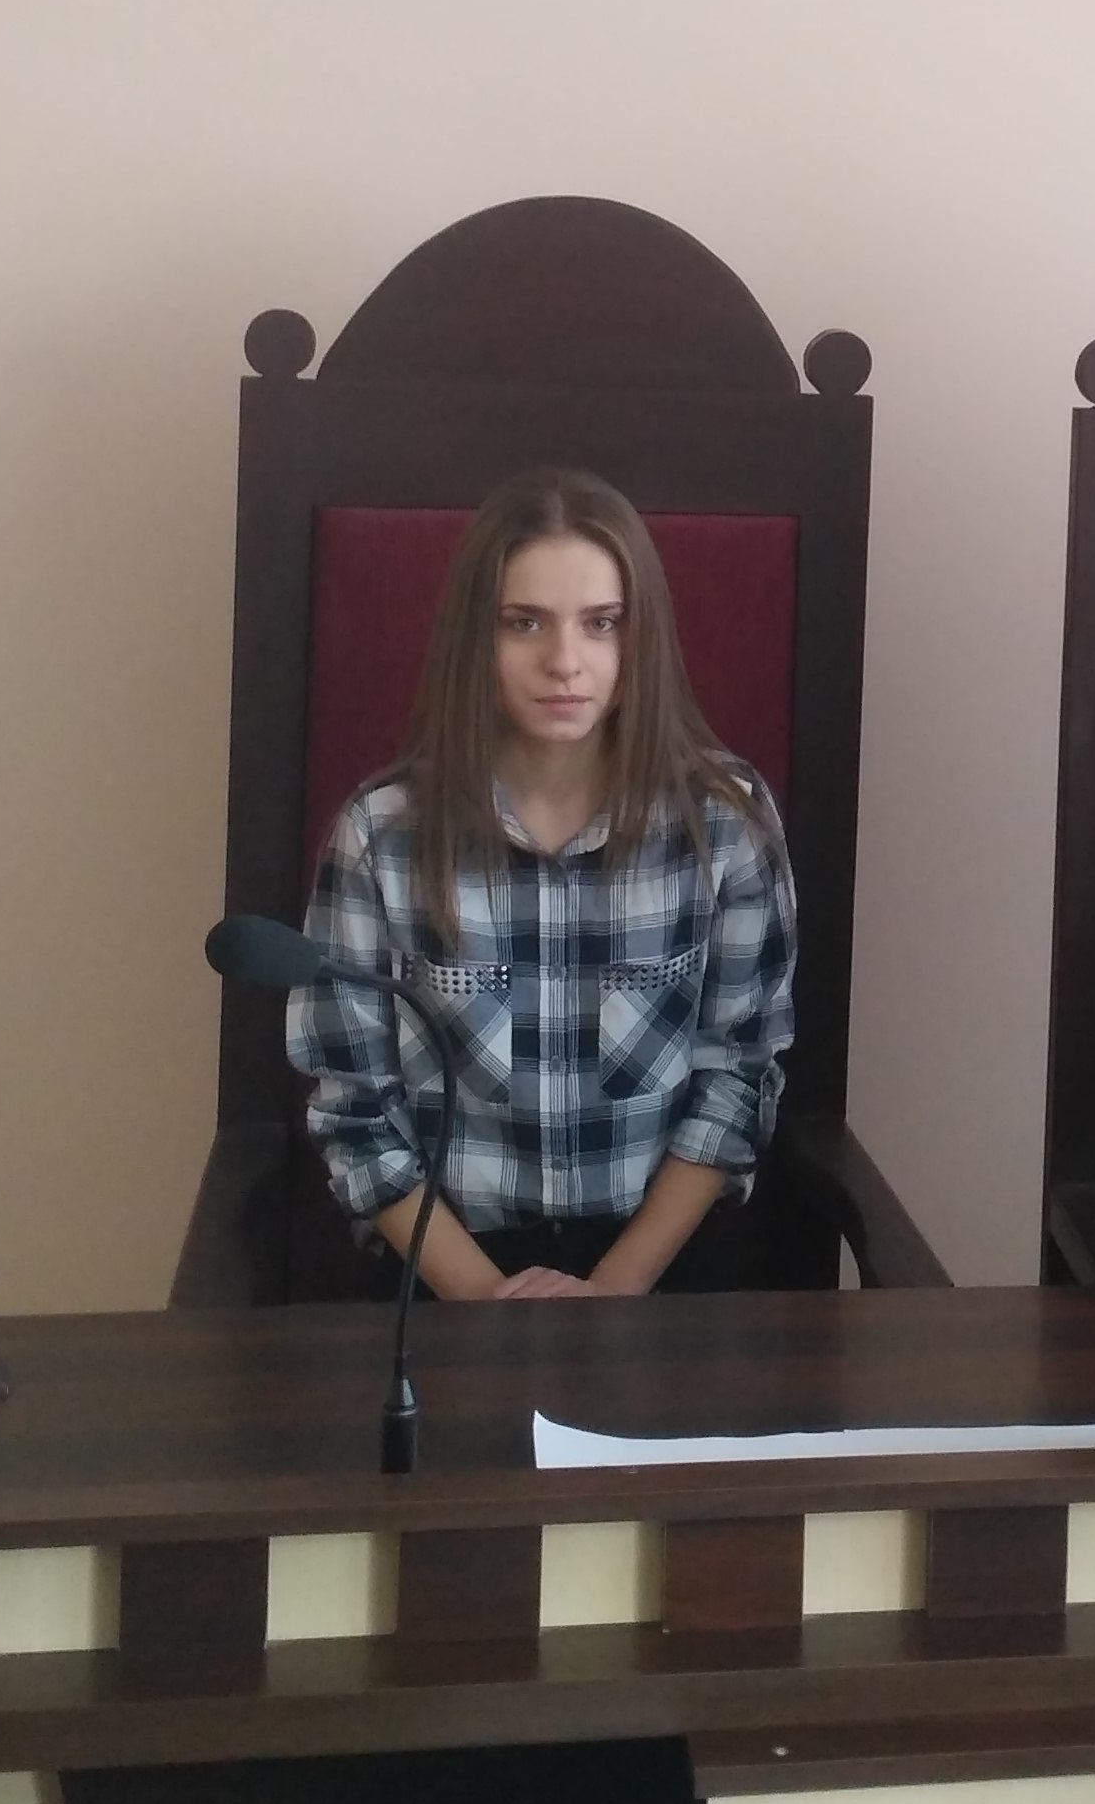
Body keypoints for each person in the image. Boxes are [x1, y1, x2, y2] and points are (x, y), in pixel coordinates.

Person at [288, 465, 796, 1301]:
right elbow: (355, 1111)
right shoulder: (379, 838)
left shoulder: (726, 824)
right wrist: (488, 1303)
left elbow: (739, 1076)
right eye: (524, 623)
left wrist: (614, 1290)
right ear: (474, 640)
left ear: (640, 639)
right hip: (445, 1268)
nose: (565, 661)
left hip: (658, 1267)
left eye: (601, 624)